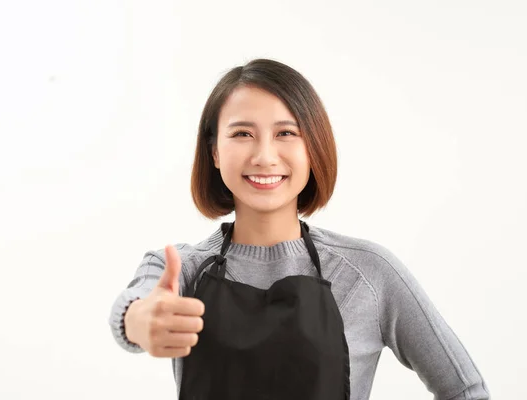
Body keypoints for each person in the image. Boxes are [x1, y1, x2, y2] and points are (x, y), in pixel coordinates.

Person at [108, 58, 490, 400]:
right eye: (242, 134)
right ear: (214, 153)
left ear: (313, 148)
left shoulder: (367, 273)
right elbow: (133, 308)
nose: (264, 156)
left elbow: (465, 390)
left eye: (286, 133)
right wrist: (140, 321)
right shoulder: (184, 270)